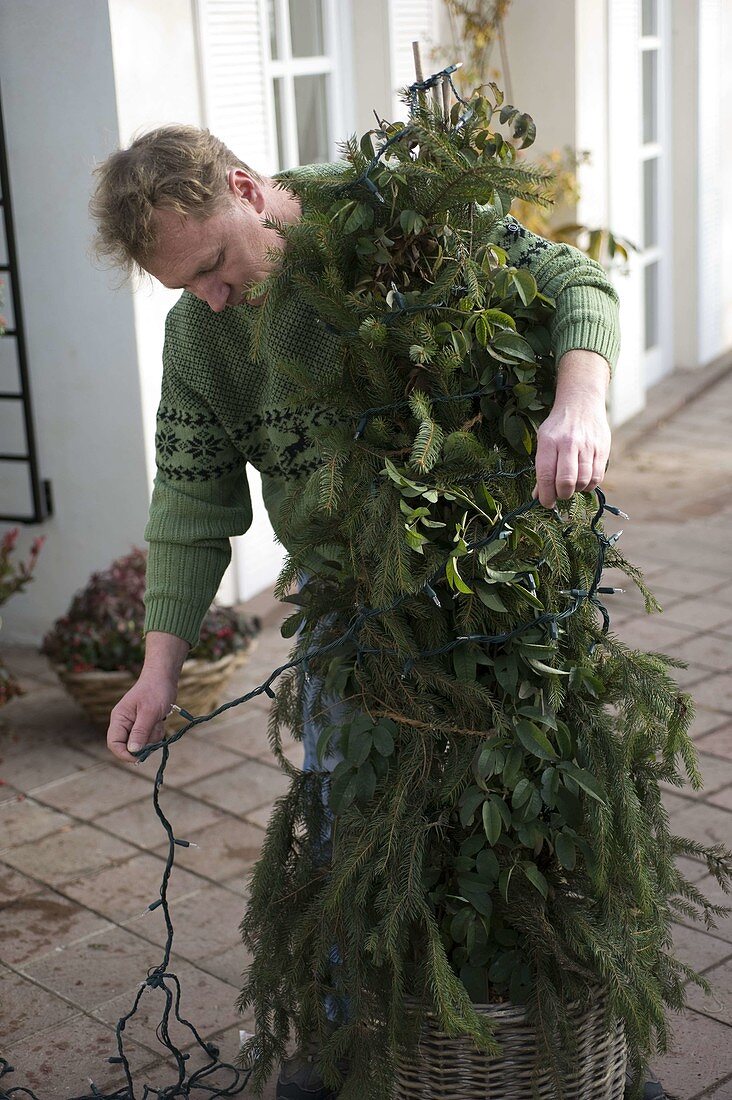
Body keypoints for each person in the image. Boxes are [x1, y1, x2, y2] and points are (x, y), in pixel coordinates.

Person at [91, 126, 663, 1100]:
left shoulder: (398, 222)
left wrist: (581, 398)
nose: (214, 295)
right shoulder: (203, 337)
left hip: (495, 608)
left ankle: (578, 1057)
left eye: (219, 264)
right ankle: (356, 1047)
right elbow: (189, 505)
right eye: (189, 283)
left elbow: (576, 279)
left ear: (247, 187)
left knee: (529, 829)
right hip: (353, 627)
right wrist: (158, 666)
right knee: (357, 831)